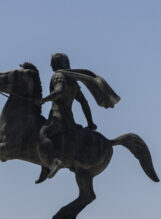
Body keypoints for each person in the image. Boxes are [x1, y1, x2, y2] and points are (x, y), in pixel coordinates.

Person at [37, 52, 120, 182]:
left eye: (52, 62)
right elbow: (83, 102)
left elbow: (58, 91)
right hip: (70, 121)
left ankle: (53, 162)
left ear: (57, 63)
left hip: (58, 118)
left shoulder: (58, 76)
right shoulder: (73, 81)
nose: (51, 65)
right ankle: (45, 167)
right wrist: (90, 122)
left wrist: (44, 100)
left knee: (42, 135)